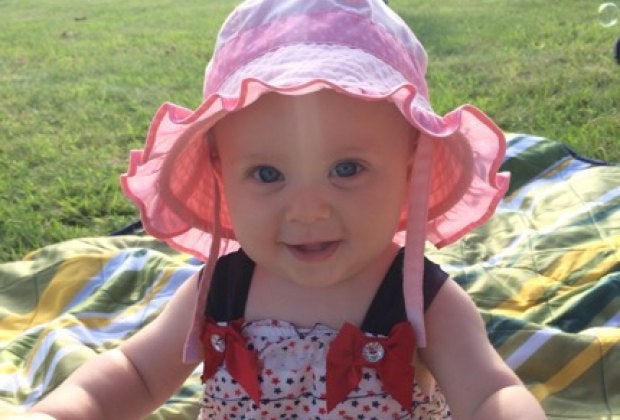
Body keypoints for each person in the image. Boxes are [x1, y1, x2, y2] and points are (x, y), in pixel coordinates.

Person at [25, 0, 547, 418]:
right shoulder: (218, 289)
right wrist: (68, 409)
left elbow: (489, 393)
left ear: (410, 170)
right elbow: (136, 373)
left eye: (347, 169)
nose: (308, 211)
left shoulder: (420, 301)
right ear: (221, 176)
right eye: (267, 174)